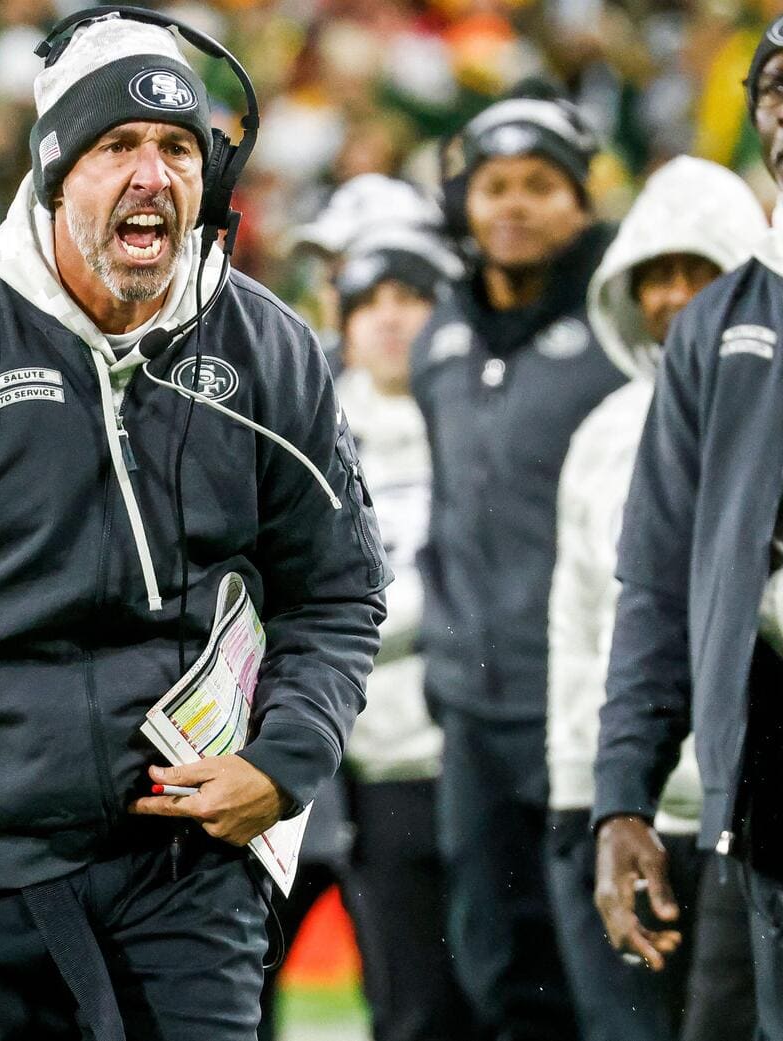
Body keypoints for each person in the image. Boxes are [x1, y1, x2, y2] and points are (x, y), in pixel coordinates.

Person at [0, 11, 387, 1041]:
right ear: (56, 173)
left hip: (188, 871)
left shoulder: (269, 347)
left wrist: (286, 760)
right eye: (118, 147)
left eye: (179, 148)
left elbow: (338, 587)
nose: (154, 174)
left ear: (212, 180)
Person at [410, 90, 626, 1041]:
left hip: (580, 704)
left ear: (583, 201)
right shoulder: (441, 338)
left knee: (602, 967)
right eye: (495, 185)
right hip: (474, 710)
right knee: (494, 963)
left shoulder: (620, 338)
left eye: (542, 185)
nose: (515, 205)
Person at [592, 19, 783, 1040]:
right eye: (778, 88)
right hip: (770, 772)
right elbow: (657, 577)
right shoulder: (717, 327)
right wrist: (624, 795)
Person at [548, 155, 764, 1041]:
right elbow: (581, 625)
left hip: (746, 813)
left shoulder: (767, 415)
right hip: (623, 809)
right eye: (657, 276)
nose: (676, 297)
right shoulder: (600, 435)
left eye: (699, 271)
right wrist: (583, 796)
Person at [331, 186, 476, 1041]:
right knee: (410, 1002)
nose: (390, 319)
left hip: (479, 744)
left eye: (410, 296)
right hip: (366, 757)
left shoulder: (485, 405)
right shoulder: (305, 422)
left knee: (505, 989)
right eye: (370, 300)